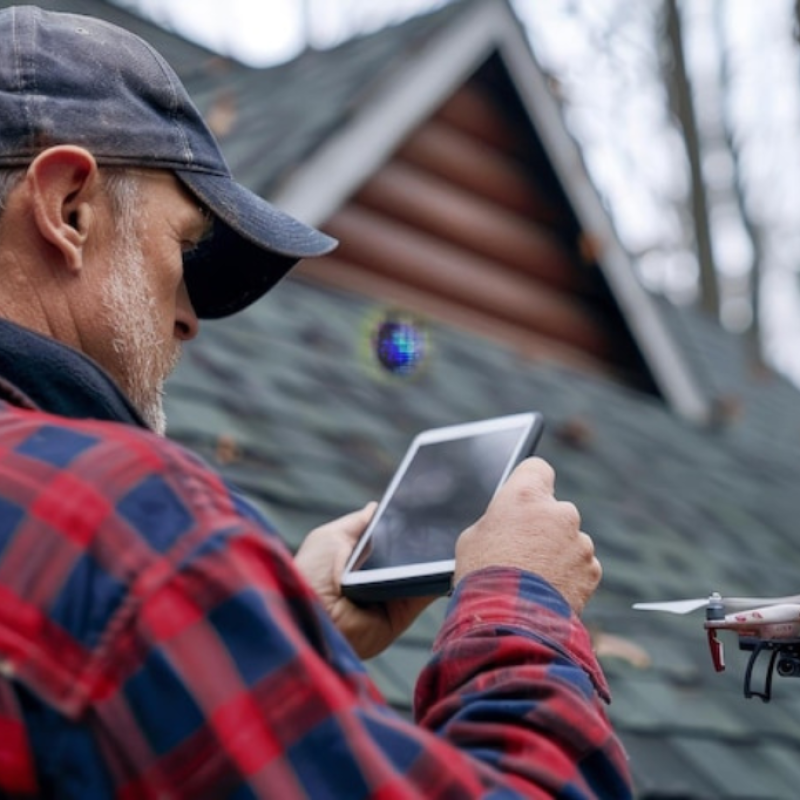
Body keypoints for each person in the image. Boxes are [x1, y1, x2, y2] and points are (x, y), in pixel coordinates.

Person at [0, 6, 632, 798]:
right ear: (68, 209)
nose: (190, 318)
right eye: (185, 247)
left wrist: (265, 624)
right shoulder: (127, 522)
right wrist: (519, 604)